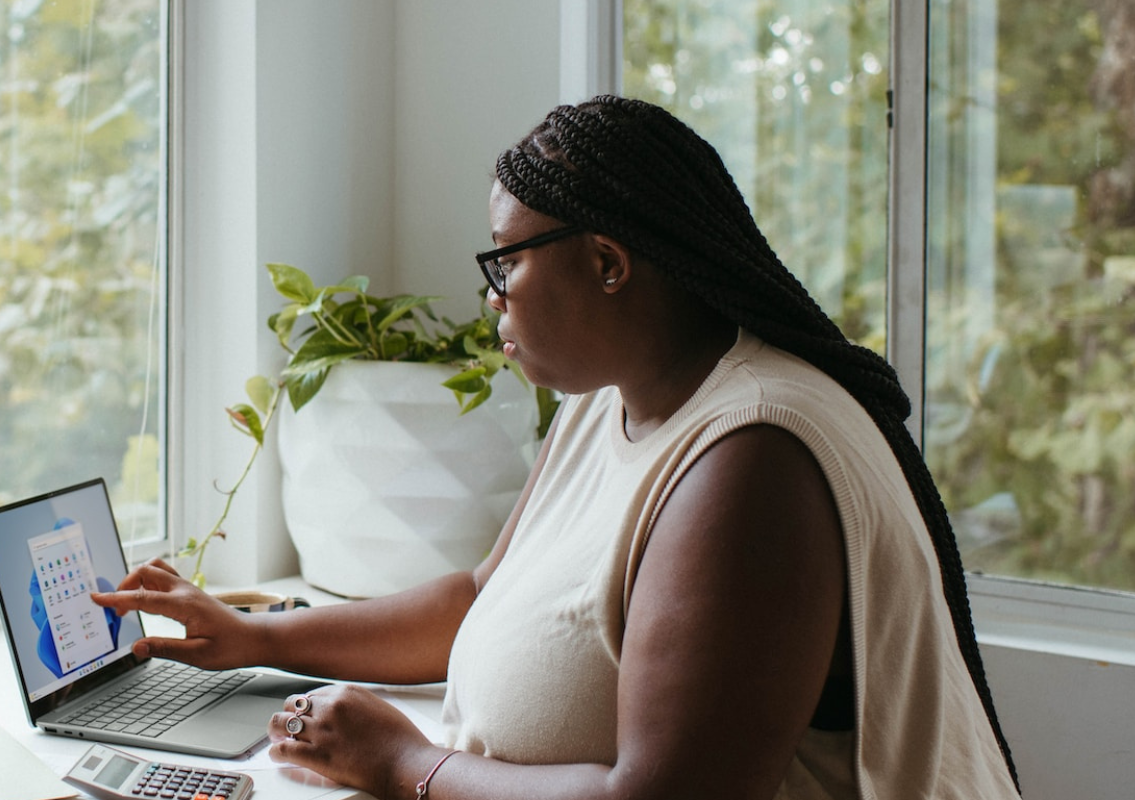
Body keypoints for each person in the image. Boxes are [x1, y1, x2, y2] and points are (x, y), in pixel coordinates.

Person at [91, 95, 1021, 800]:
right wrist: (256, 634)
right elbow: (477, 599)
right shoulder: (609, 397)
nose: (492, 295)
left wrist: (405, 762)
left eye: (507, 260)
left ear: (608, 263)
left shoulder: (753, 461)